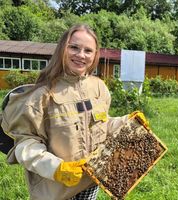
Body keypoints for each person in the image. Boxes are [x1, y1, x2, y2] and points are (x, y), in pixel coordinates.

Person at [2, 24, 131, 200]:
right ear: (62, 49)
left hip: (90, 182)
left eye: (88, 50)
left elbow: (101, 125)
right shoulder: (41, 94)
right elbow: (25, 145)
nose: (81, 55)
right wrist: (56, 169)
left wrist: (126, 122)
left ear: (94, 56)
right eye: (74, 47)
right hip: (55, 189)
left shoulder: (99, 87)